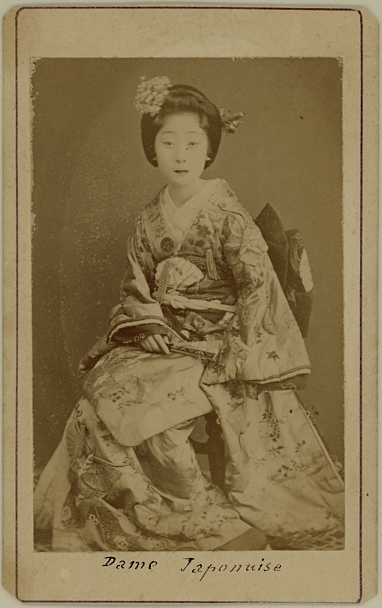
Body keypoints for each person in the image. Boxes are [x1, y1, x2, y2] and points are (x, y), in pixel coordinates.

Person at [34, 77, 344, 552]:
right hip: (164, 337)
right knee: (95, 403)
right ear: (152, 150)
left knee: (152, 415)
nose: (180, 154)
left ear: (208, 150)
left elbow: (258, 287)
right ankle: (149, 508)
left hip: (222, 343)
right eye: (168, 142)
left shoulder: (227, 213)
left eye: (192, 143)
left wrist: (233, 351)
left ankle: (199, 518)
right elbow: (135, 285)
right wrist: (150, 324)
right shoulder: (147, 217)